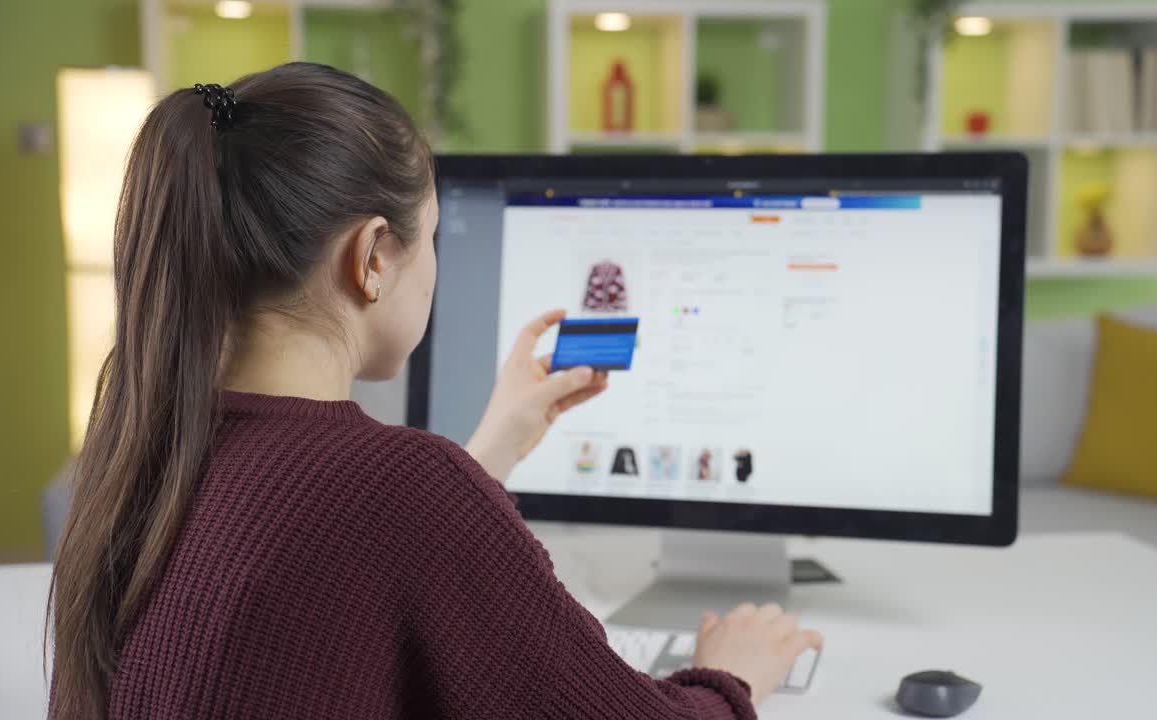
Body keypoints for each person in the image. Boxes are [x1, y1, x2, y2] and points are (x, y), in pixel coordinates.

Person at [48, 63, 822, 720]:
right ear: (373, 257)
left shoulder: (148, 448)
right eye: (433, 234)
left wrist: (489, 453)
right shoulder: (403, 491)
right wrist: (734, 673)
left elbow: (339, 568)